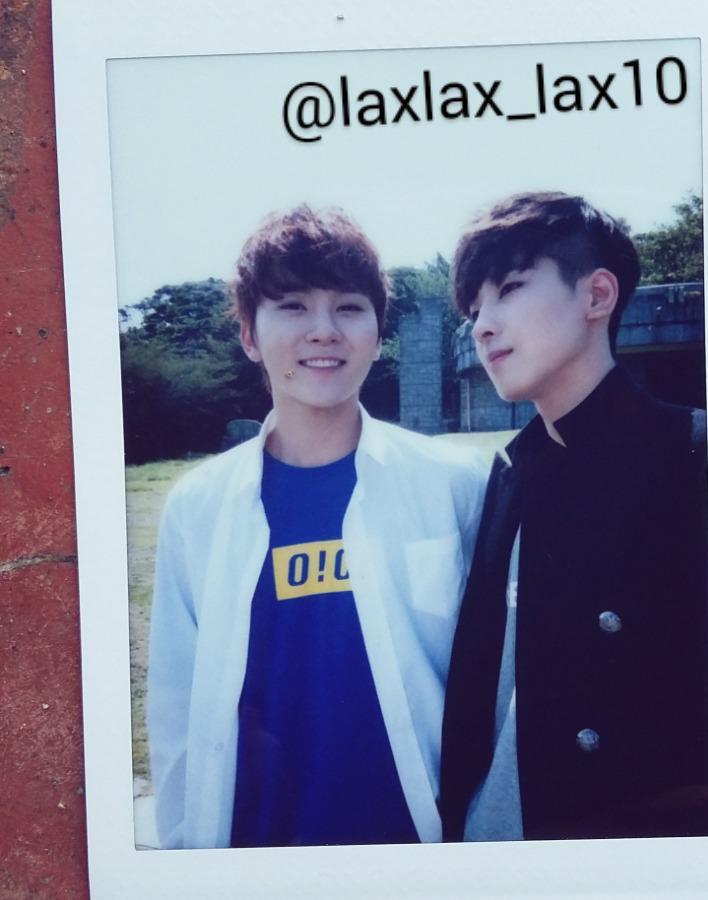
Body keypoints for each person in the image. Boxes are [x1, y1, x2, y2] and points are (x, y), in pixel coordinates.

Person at [147, 204, 486, 849]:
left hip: (424, 848)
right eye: (293, 307)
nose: (324, 331)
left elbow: (494, 691)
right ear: (250, 336)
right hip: (256, 854)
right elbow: (177, 710)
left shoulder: (454, 484)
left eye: (349, 308)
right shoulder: (198, 508)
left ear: (379, 335)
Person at [440, 191, 708, 842]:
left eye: (509, 289)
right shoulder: (511, 470)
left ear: (597, 295)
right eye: (475, 309)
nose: (482, 326)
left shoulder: (698, 459)